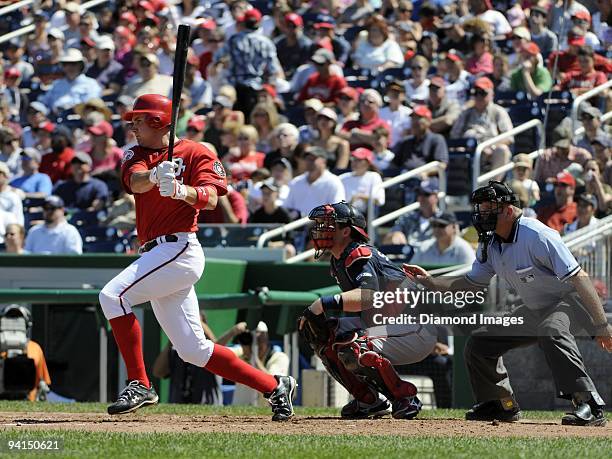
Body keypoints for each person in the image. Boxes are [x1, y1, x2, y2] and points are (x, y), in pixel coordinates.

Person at [98, 94, 296, 420]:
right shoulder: (137, 152)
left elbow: (212, 198)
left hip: (179, 249)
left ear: (159, 121)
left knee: (112, 296)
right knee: (194, 351)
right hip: (156, 252)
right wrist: (153, 175)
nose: (132, 126)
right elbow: (134, 182)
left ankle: (140, 383)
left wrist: (180, 190)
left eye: (139, 120)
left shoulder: (197, 151)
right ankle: (275, 386)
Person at [406, 180, 611, 426]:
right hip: (536, 308)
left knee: (552, 330)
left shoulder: (537, 235)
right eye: (480, 207)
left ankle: (589, 402)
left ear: (508, 210)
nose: (482, 213)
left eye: (488, 207)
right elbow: (471, 283)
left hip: (568, 300)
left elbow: (579, 277)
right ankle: (501, 404)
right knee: (480, 341)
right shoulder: (491, 243)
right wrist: (430, 281)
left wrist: (601, 325)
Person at [298, 201, 436, 419]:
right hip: (388, 323)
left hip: (415, 327)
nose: (321, 229)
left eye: (328, 224)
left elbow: (367, 296)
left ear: (346, 231)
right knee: (326, 336)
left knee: (354, 345)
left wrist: (322, 304)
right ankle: (368, 400)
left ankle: (404, 397)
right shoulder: (338, 260)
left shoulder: (359, 253)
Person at [152, 313, 222, 405]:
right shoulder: (176, 351)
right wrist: (173, 338)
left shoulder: (208, 351)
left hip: (208, 409)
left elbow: (219, 353)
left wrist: (196, 323)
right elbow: (158, 372)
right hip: (176, 411)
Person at [450, 77, 513, 176]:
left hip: (490, 152)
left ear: (492, 94)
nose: (479, 96)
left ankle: (493, 188)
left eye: (483, 93)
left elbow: (509, 137)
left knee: (502, 150)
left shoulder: (498, 112)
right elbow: (454, 137)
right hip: (469, 152)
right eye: (476, 93)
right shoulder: (466, 114)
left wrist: (490, 147)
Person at [219, 321, 290, 406]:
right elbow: (214, 354)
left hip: (264, 413)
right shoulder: (242, 352)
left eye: (260, 340)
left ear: (266, 338)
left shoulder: (279, 357)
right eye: (254, 341)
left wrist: (254, 358)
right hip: (240, 409)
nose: (257, 345)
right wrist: (232, 332)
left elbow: (275, 384)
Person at [283, 146, 345, 217]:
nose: (309, 161)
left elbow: (338, 208)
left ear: (324, 161)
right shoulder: (296, 182)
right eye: (307, 159)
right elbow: (287, 207)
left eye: (313, 159)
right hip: (296, 225)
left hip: (322, 225)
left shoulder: (333, 182)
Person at [38, 48, 102, 114]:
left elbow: (91, 105)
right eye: (66, 64)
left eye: (73, 64)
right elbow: (45, 103)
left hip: (79, 120)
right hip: (56, 119)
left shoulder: (91, 84)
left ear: (80, 65)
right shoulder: (57, 84)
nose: (69, 67)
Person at [383, 178, 443, 247]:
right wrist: (395, 235)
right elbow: (386, 240)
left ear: (436, 197)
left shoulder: (443, 220)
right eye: (419, 193)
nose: (421, 198)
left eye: (426, 194)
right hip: (410, 256)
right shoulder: (407, 217)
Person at [392, 105, 448, 173]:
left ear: (428, 121)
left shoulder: (436, 139)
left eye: (418, 118)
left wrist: (426, 173)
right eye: (413, 118)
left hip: (427, 180)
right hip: (405, 178)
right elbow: (394, 164)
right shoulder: (406, 141)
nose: (414, 122)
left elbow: (442, 165)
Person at [410, 211, 476, 266]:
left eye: (442, 225)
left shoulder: (463, 248)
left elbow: (472, 277)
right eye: (434, 225)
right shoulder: (424, 247)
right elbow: (409, 274)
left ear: (453, 227)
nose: (437, 229)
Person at [340, 148, 385, 215]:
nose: (354, 162)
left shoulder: (374, 176)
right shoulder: (342, 178)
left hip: (363, 216)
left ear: (368, 163)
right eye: (353, 159)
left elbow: (379, 200)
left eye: (359, 160)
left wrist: (359, 196)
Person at [379, 81, 412, 149]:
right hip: (384, 149)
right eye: (392, 92)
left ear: (403, 95)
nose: (395, 94)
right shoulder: (380, 113)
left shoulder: (409, 113)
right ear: (387, 94)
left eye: (398, 92)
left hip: (402, 149)